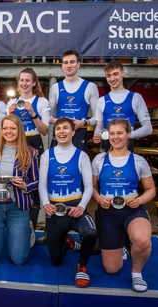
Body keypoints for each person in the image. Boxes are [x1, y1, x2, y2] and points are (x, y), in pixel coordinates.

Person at [91, 118, 156, 292]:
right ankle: (122, 249)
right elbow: (92, 188)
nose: (115, 137)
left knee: (142, 240)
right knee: (112, 269)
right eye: (112, 133)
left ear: (128, 134)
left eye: (120, 133)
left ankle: (136, 273)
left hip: (132, 210)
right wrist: (98, 199)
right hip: (108, 213)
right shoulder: (99, 159)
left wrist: (139, 200)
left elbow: (151, 190)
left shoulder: (138, 160)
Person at [38, 117, 96, 288]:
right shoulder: (47, 155)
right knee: (56, 261)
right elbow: (42, 183)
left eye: (65, 128)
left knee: (91, 233)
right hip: (55, 209)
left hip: (75, 207)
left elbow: (88, 186)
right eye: (58, 129)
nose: (61, 131)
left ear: (73, 132)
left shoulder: (82, 155)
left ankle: (82, 265)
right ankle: (68, 242)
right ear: (54, 133)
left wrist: (81, 206)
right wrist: (46, 204)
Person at [0, 115, 39, 265]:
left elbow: (36, 181)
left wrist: (25, 186)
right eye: (5, 128)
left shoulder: (31, 153)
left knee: (19, 260)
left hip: (17, 207)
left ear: (19, 130)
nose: (8, 131)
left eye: (12, 128)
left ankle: (27, 229)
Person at [6, 67, 50, 246]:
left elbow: (45, 130)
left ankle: (30, 225)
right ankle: (17, 223)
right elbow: (5, 129)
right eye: (21, 80)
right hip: (15, 144)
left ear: (34, 83)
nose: (24, 83)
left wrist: (33, 114)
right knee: (15, 181)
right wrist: (9, 115)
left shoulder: (41, 102)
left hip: (33, 142)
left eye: (27, 80)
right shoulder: (12, 101)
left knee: (34, 182)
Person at [93, 60, 152, 153]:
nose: (112, 79)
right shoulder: (101, 101)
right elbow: (99, 127)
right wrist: (97, 135)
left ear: (123, 73)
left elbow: (148, 128)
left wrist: (128, 135)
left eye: (115, 74)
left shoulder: (136, 97)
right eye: (108, 76)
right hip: (106, 146)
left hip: (127, 146)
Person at [48, 49, 99, 154]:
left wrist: (83, 122)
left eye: (72, 62)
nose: (69, 65)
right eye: (66, 62)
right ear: (62, 66)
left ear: (78, 64)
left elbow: (97, 118)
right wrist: (58, 122)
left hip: (79, 134)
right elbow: (49, 116)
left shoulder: (90, 87)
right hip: (60, 135)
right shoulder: (55, 88)